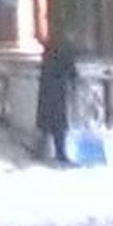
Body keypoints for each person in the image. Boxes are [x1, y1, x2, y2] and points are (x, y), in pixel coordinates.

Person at [36, 31, 78, 165]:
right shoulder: (66, 50)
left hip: (46, 90)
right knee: (59, 125)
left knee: (46, 124)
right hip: (58, 91)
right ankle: (60, 154)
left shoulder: (49, 50)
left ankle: (42, 152)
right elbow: (72, 72)